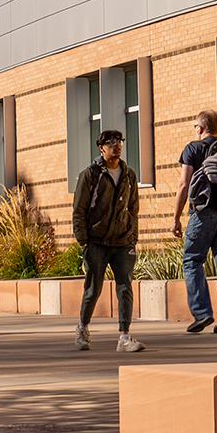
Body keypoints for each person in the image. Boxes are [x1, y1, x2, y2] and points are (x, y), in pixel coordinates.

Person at [71, 129, 145, 352]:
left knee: (125, 287)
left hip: (123, 242)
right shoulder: (90, 175)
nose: (116, 145)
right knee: (93, 289)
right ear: (101, 148)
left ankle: (124, 337)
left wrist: (132, 238)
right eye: (110, 142)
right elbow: (79, 210)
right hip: (96, 242)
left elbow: (133, 208)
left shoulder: (129, 174)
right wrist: (83, 241)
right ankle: (83, 328)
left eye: (119, 141)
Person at [173, 111, 217, 334]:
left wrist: (176, 218)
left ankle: (202, 313)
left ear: (200, 129)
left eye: (196, 126)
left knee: (192, 260)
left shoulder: (193, 149)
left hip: (202, 213)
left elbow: (184, 185)